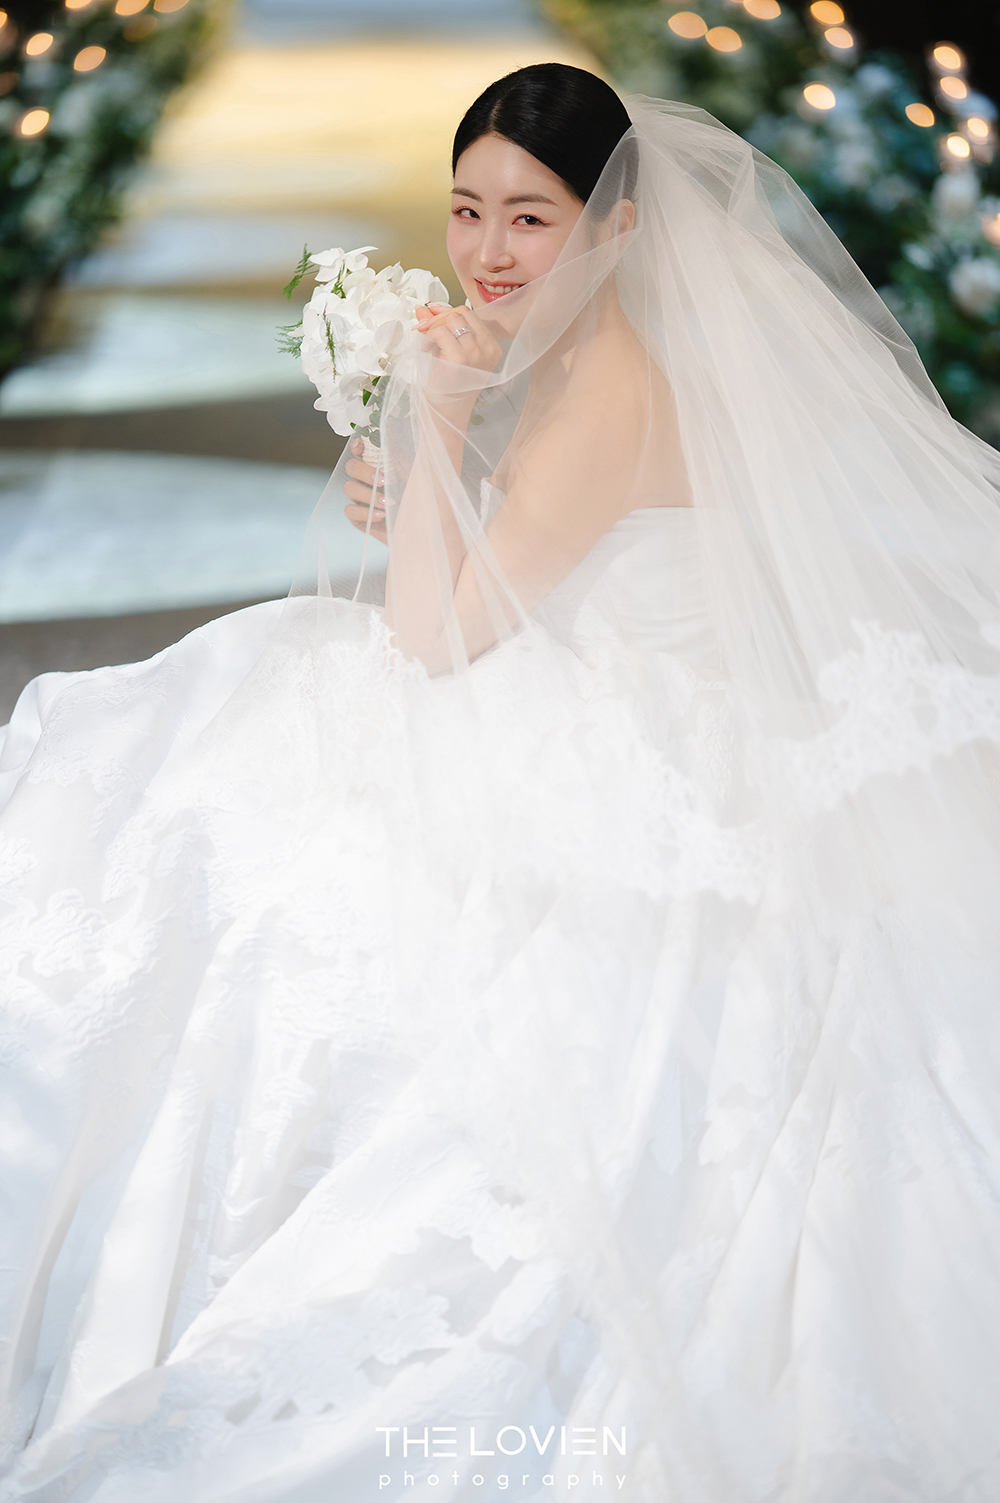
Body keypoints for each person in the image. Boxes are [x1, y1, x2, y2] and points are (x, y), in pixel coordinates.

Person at [2, 60, 1000, 1503]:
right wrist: (435, 473)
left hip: (625, 737)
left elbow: (434, 642)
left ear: (618, 228)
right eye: (466, 209)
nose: (484, 251)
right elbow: (490, 570)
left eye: (531, 218)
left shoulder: (615, 389)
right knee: (216, 745)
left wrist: (434, 432)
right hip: (566, 670)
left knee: (268, 798)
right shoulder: (569, 355)